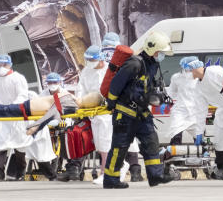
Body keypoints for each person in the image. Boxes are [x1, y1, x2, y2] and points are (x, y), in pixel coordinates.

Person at [101, 31, 174, 189]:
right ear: (155, 52)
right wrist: (112, 103)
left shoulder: (152, 65)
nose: (162, 56)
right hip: (125, 113)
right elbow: (116, 85)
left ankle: (155, 175)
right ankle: (111, 179)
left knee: (151, 141)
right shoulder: (134, 63)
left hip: (141, 113)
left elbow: (146, 86)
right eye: (161, 53)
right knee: (119, 147)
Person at [93, 32, 143, 184]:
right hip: (122, 102)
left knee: (118, 138)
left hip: (114, 103)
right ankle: (132, 170)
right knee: (124, 137)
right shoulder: (125, 59)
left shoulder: (111, 61)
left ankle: (123, 170)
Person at [58, 45, 105, 182]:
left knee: (107, 142)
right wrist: (80, 105)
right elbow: (80, 89)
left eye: (92, 60)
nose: (89, 62)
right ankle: (73, 169)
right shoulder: (86, 71)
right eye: (88, 60)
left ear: (100, 58)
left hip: (105, 113)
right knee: (76, 134)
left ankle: (132, 169)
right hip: (87, 110)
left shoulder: (108, 71)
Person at [0, 54, 32, 181]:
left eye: (4, 64)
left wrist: (11, 107)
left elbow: (22, 95)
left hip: (16, 117)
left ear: (10, 65)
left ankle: (20, 173)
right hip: (1, 118)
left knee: (19, 146)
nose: (1, 67)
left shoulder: (18, 78)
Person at [167, 57, 208, 146]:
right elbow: (171, 92)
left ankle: (202, 154)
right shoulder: (176, 77)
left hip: (195, 111)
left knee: (199, 137)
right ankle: (174, 156)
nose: (189, 70)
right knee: (176, 134)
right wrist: (167, 100)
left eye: (191, 68)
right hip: (180, 110)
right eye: (188, 68)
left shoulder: (199, 78)